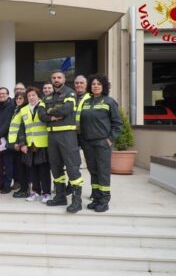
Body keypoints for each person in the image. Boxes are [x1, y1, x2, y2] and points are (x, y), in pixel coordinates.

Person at [38, 70, 84, 213]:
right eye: (54, 78)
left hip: (67, 135)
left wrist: (49, 111)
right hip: (52, 136)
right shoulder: (46, 97)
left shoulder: (70, 93)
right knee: (55, 166)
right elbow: (41, 115)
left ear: (64, 79)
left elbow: (66, 110)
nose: (56, 79)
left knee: (71, 167)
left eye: (59, 77)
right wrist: (52, 116)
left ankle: (77, 201)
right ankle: (60, 196)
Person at [79, 74, 122, 213]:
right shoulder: (86, 102)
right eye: (93, 84)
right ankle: (96, 198)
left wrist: (110, 140)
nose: (95, 86)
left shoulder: (109, 101)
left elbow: (117, 124)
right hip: (88, 143)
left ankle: (104, 200)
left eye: (98, 84)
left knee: (103, 172)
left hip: (102, 143)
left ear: (103, 86)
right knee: (93, 171)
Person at [11, 87, 51, 203]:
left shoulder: (44, 106)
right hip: (30, 144)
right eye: (29, 96)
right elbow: (21, 129)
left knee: (44, 170)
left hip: (43, 144)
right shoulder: (24, 110)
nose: (31, 98)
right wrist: (22, 143)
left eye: (33, 95)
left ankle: (46, 193)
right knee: (33, 170)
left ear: (38, 96)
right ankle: (35, 192)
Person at [8, 91, 29, 197]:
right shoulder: (16, 109)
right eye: (16, 98)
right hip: (15, 143)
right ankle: (23, 188)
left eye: (20, 98)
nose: (18, 100)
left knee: (24, 168)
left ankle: (25, 189)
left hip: (21, 143)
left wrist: (19, 143)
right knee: (19, 167)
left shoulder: (24, 110)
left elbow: (23, 128)